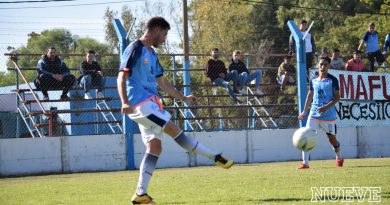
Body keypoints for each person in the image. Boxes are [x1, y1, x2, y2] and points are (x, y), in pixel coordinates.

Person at [117, 17, 233, 205]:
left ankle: (140, 195)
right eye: (164, 34)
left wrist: (183, 98)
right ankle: (214, 156)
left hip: (151, 103)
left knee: (155, 146)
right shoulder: (134, 48)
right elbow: (121, 76)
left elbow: (162, 82)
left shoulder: (152, 54)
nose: (164, 39)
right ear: (155, 30)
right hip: (140, 103)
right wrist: (124, 102)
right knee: (173, 129)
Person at [298, 56, 344, 169]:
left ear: (329, 66)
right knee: (307, 136)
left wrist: (325, 107)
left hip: (328, 116)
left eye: (325, 64)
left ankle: (339, 157)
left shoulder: (333, 80)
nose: (322, 66)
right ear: (318, 65)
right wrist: (304, 111)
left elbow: (337, 97)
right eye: (321, 64)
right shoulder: (313, 80)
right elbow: (310, 94)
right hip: (313, 114)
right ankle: (305, 163)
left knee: (332, 140)